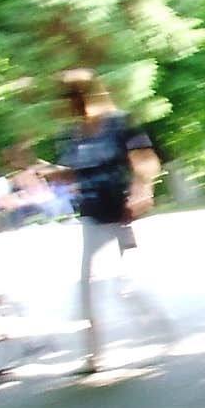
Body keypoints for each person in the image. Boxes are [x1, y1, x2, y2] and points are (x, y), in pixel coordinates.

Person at [41, 68, 170, 374]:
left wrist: (142, 187)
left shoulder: (119, 124)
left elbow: (146, 160)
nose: (66, 104)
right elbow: (74, 172)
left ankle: (158, 334)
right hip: (92, 216)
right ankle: (93, 355)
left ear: (85, 95)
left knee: (123, 285)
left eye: (70, 97)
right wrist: (45, 172)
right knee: (89, 286)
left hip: (123, 213)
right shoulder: (71, 134)